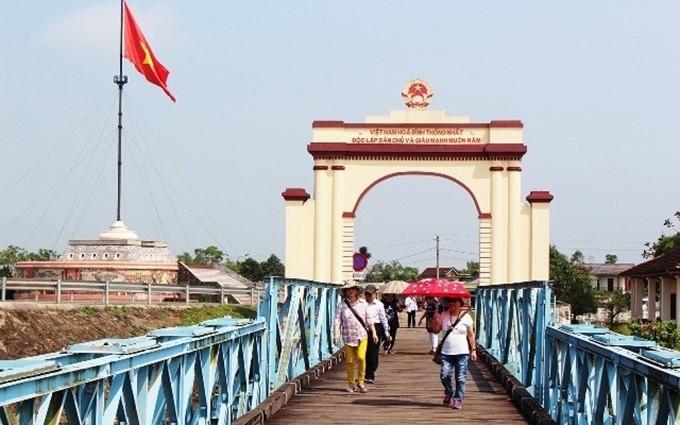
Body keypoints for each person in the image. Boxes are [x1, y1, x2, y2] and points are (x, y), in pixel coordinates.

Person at [333, 281, 379, 393]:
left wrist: (374, 332)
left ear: (357, 290)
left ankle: (361, 382)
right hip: (348, 336)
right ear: (345, 291)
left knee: (361, 357)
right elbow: (337, 320)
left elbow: (369, 320)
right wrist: (336, 333)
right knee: (349, 361)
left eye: (353, 288)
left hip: (362, 335)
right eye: (348, 289)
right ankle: (351, 384)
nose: (351, 291)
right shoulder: (342, 305)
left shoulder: (363, 304)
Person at [436, 296, 477, 410]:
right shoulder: (444, 315)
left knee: (460, 378)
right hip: (446, 352)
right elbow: (436, 330)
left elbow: (471, 334)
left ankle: (458, 399)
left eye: (455, 302)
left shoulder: (466, 317)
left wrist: (473, 350)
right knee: (445, 376)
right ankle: (449, 392)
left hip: (462, 352)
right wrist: (435, 316)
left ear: (460, 303)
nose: (452, 304)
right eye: (450, 302)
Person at [363, 284, 391, 383]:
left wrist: (387, 333)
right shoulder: (361, 303)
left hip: (376, 327)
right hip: (363, 328)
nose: (367, 296)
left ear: (375, 294)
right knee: (363, 352)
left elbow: (383, 319)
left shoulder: (379, 305)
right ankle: (363, 373)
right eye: (366, 294)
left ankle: (370, 374)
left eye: (370, 294)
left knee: (373, 352)